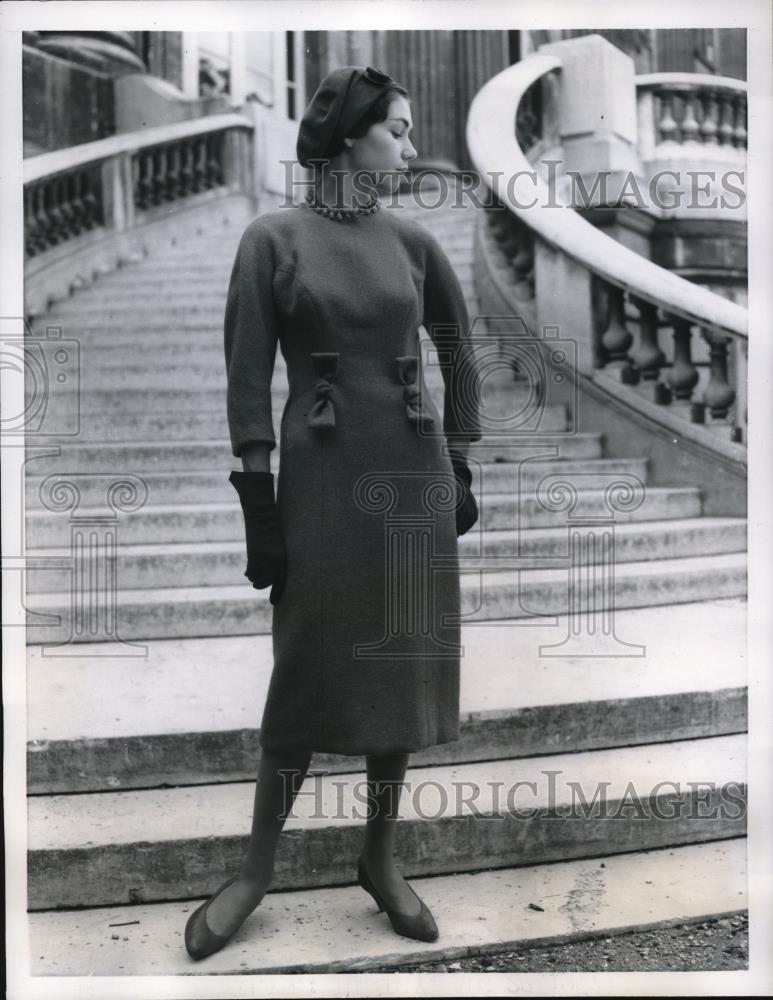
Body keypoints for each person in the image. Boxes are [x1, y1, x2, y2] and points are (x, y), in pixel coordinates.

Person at [184, 64, 482, 961]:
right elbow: (245, 383)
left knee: (401, 663)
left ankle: (379, 861)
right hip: (317, 483)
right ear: (349, 136)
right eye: (396, 128)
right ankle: (256, 870)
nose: (411, 145)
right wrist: (257, 505)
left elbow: (461, 353)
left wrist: (460, 463)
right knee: (306, 667)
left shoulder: (413, 244)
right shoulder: (271, 240)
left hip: (410, 476)